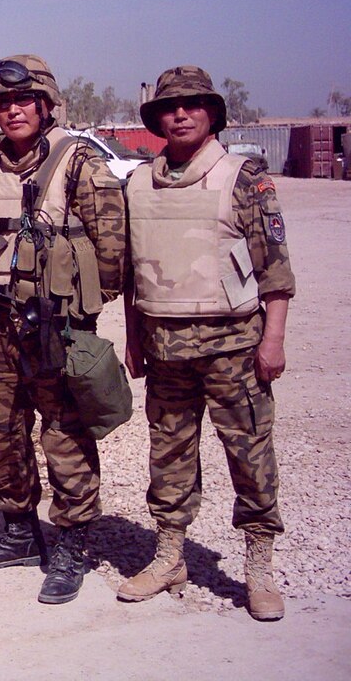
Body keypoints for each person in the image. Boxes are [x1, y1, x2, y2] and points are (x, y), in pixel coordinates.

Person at [118, 66, 294, 621]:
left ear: (212, 113)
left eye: (194, 105)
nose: (181, 114)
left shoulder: (245, 179)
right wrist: (132, 337)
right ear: (157, 119)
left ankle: (259, 564)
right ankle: (170, 554)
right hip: (164, 345)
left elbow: (276, 272)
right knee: (168, 456)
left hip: (234, 347)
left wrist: (274, 340)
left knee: (249, 454)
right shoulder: (138, 183)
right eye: (171, 107)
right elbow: (130, 271)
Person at [0, 55, 126, 604]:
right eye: (2, 103)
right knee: (1, 431)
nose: (12, 111)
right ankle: (18, 532)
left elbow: (111, 249)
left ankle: (72, 542)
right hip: (1, 327)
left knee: (64, 435)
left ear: (46, 104)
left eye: (22, 101)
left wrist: (80, 314)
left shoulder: (78, 162)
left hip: (57, 328)